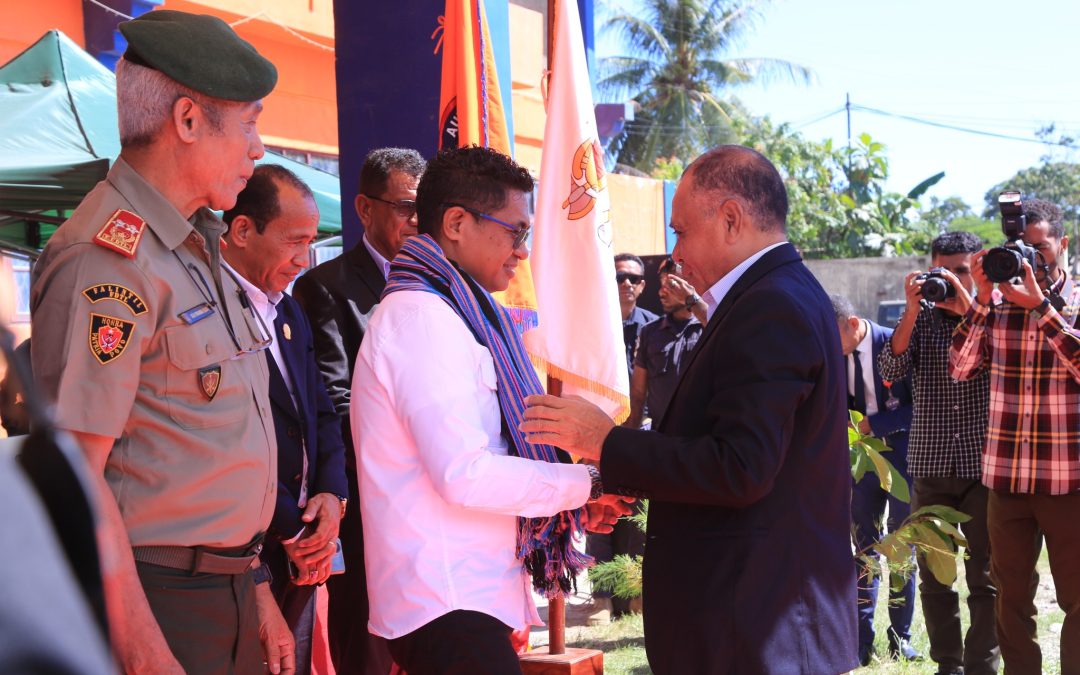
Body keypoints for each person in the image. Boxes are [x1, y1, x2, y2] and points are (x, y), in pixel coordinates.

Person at [522, 145, 858, 674]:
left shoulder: (770, 304)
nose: (674, 254)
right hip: (754, 619)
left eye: (679, 232)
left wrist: (606, 443)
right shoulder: (773, 295)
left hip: (757, 627)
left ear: (731, 219)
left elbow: (739, 469)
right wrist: (620, 473)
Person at [29, 10, 294, 673]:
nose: (258, 147)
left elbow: (212, 448)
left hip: (227, 593)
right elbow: (76, 482)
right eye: (250, 122)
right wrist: (145, 652)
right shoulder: (107, 259)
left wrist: (254, 586)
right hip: (159, 606)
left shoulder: (193, 243)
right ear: (186, 121)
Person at [352, 146, 630, 675]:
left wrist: (569, 494)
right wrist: (585, 483)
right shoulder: (422, 320)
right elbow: (466, 475)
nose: (522, 252)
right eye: (514, 232)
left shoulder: (461, 312)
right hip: (446, 601)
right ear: (456, 223)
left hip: (464, 598)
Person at [291, 147, 424, 674]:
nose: (418, 220)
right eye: (405, 207)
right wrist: (418, 445)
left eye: (425, 207)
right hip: (371, 505)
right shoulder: (326, 288)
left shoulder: (442, 285)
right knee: (368, 647)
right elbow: (335, 398)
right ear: (365, 210)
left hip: (433, 506)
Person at [222, 164, 350, 675]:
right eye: (294, 241)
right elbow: (229, 437)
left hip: (302, 544)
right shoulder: (210, 308)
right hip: (242, 550)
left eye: (312, 242)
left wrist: (331, 495)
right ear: (242, 230)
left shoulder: (288, 311)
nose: (305, 258)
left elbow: (319, 411)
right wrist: (292, 531)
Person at [950, 198, 1080, 673]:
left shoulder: (1077, 300)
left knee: (1078, 601)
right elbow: (960, 368)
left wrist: (1043, 310)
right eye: (1019, 247)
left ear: (1062, 245)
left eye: (1039, 247)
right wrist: (982, 300)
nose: (1030, 257)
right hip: (1005, 480)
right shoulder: (996, 305)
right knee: (1010, 602)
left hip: (1069, 482)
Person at [878, 231, 999, 675]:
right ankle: (949, 664)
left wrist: (970, 309)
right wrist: (911, 310)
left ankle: (982, 664)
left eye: (961, 272)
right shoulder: (922, 317)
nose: (949, 280)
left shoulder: (993, 316)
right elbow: (890, 369)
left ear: (978, 272)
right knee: (935, 576)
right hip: (930, 466)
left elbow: (1002, 360)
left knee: (986, 578)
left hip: (982, 466)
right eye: (941, 272)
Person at [832, 294, 920, 666]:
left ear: (852, 324)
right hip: (862, 462)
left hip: (903, 457)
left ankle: (901, 636)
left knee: (901, 549)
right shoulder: (836, 355)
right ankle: (860, 640)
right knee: (864, 548)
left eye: (831, 333)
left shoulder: (895, 342)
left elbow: (924, 403)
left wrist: (877, 424)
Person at [626, 257, 705, 429]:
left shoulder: (709, 327)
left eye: (672, 286)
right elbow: (638, 395)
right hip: (661, 438)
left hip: (702, 438)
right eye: (662, 285)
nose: (662, 292)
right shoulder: (649, 332)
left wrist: (694, 301)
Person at [614, 253, 657, 374]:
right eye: (620, 277)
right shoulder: (592, 325)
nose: (627, 283)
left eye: (633, 279)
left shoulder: (655, 326)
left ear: (642, 286)